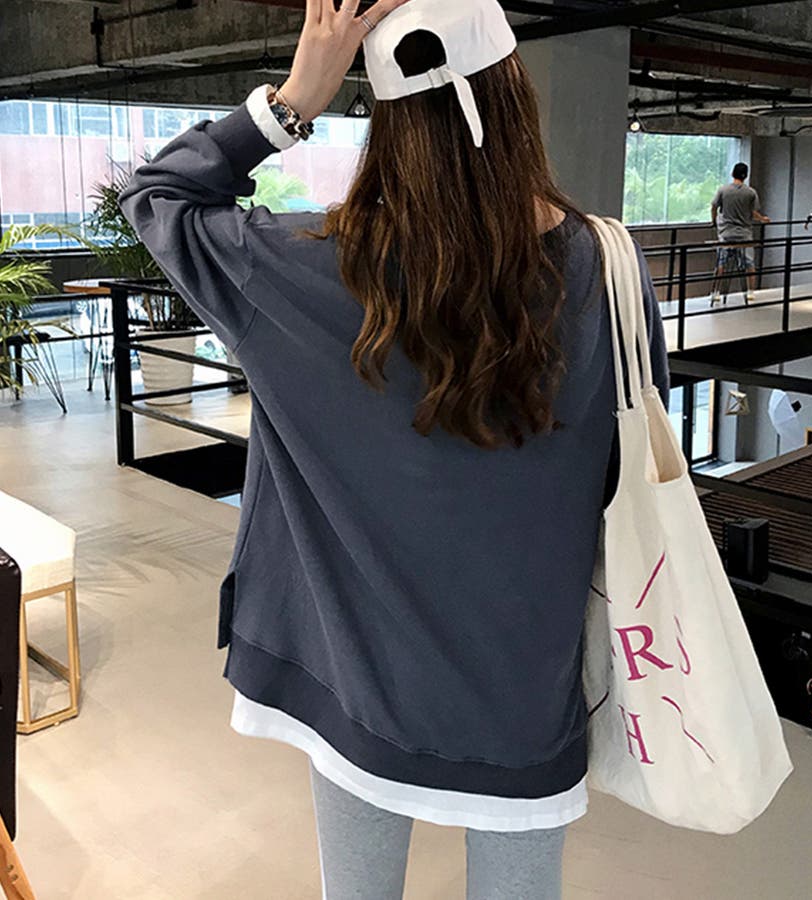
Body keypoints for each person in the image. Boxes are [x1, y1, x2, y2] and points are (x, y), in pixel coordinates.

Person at [120, 2, 669, 898]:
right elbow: (624, 461)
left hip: (357, 681)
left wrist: (295, 99)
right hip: (524, 687)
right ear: (516, 99)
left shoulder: (299, 269)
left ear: (387, 122)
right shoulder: (606, 269)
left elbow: (158, 197)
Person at [709, 162, 771, 305]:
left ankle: (715, 293)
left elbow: (714, 206)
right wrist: (763, 219)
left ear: (732, 173)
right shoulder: (751, 193)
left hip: (726, 233)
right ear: (746, 176)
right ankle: (750, 292)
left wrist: (714, 221)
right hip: (744, 235)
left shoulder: (723, 190)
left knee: (721, 263)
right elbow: (753, 212)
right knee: (749, 263)